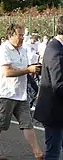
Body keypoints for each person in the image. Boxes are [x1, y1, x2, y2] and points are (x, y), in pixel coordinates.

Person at [0, 24, 43, 159]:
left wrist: (32, 69)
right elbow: (7, 72)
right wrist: (28, 70)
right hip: (6, 92)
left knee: (27, 123)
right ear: (10, 35)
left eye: (23, 35)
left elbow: (24, 68)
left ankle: (38, 153)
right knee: (1, 122)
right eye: (19, 35)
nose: (22, 38)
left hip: (20, 93)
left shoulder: (23, 50)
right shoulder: (3, 50)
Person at [34, 17, 63, 160]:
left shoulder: (57, 47)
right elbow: (58, 85)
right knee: (53, 153)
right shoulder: (55, 51)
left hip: (58, 110)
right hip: (54, 112)